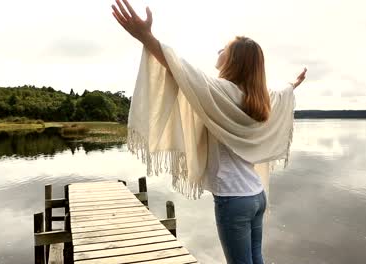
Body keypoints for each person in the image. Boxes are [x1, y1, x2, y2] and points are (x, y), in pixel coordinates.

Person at [111, 1, 307, 263]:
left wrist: (145, 36)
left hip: (233, 198)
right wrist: (293, 83)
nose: (219, 50)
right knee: (255, 258)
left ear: (233, 60)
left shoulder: (220, 91)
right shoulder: (259, 99)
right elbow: (282, 93)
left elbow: (179, 68)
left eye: (223, 49)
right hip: (256, 195)